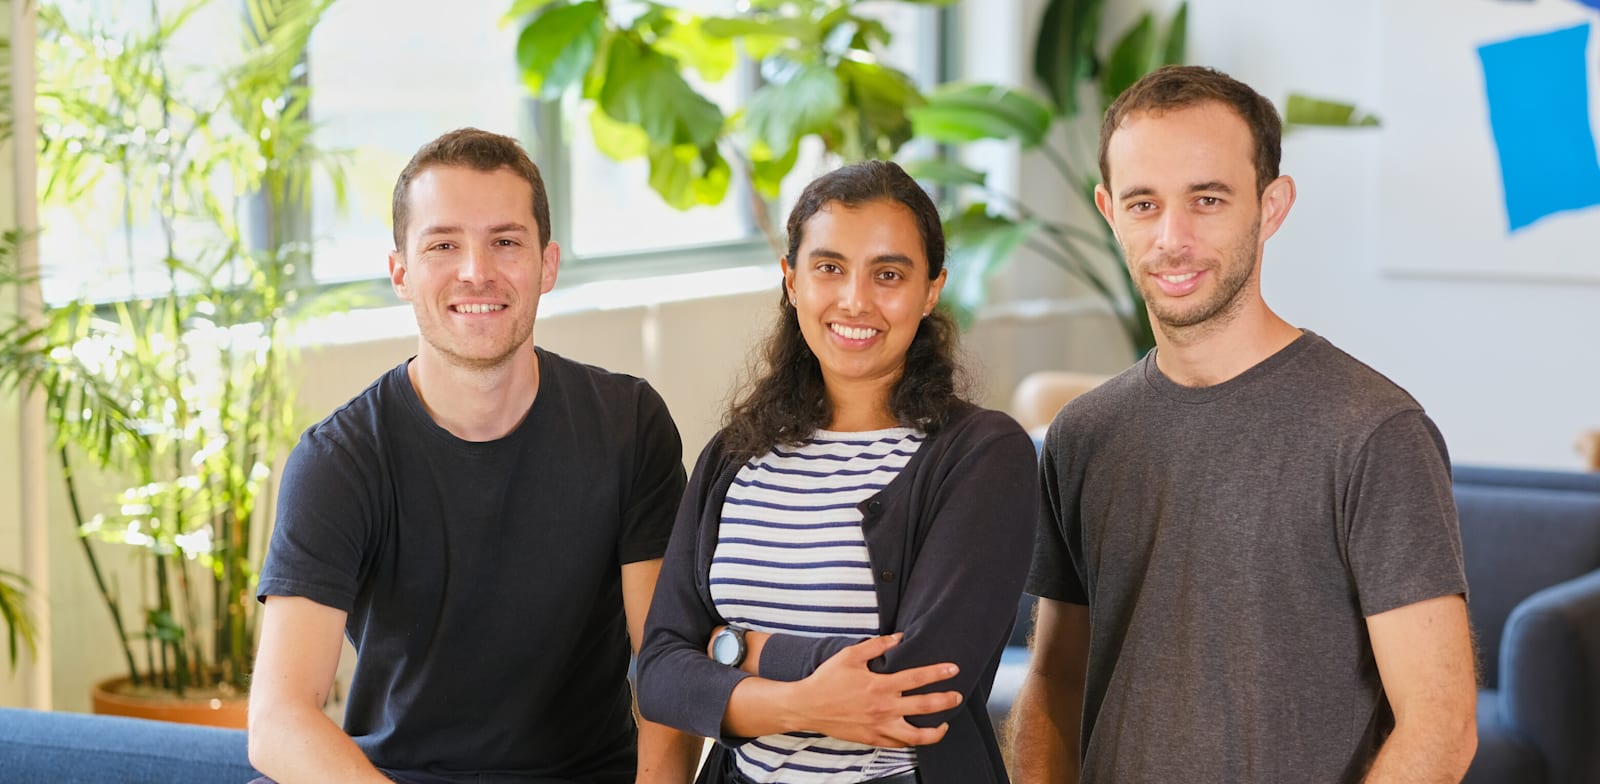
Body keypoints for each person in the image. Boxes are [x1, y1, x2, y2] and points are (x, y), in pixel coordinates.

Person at [1008, 65, 1479, 783]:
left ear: (1272, 205)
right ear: (1109, 211)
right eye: (1143, 203)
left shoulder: (1374, 432)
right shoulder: (1081, 436)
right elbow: (1053, 685)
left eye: (1207, 199)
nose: (1172, 237)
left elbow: (1440, 729)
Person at [247, 128, 702, 784]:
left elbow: (667, 668)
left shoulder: (629, 426)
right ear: (400, 270)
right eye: (443, 244)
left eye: (505, 242)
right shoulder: (339, 459)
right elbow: (280, 718)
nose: (476, 271)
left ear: (547, 264)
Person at [634, 160, 1038, 784]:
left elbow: (915, 686)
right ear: (791, 280)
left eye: (889, 274)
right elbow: (660, 672)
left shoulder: (982, 454)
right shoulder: (733, 455)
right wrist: (804, 703)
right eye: (829, 267)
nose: (856, 300)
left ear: (931, 290)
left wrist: (735, 647)